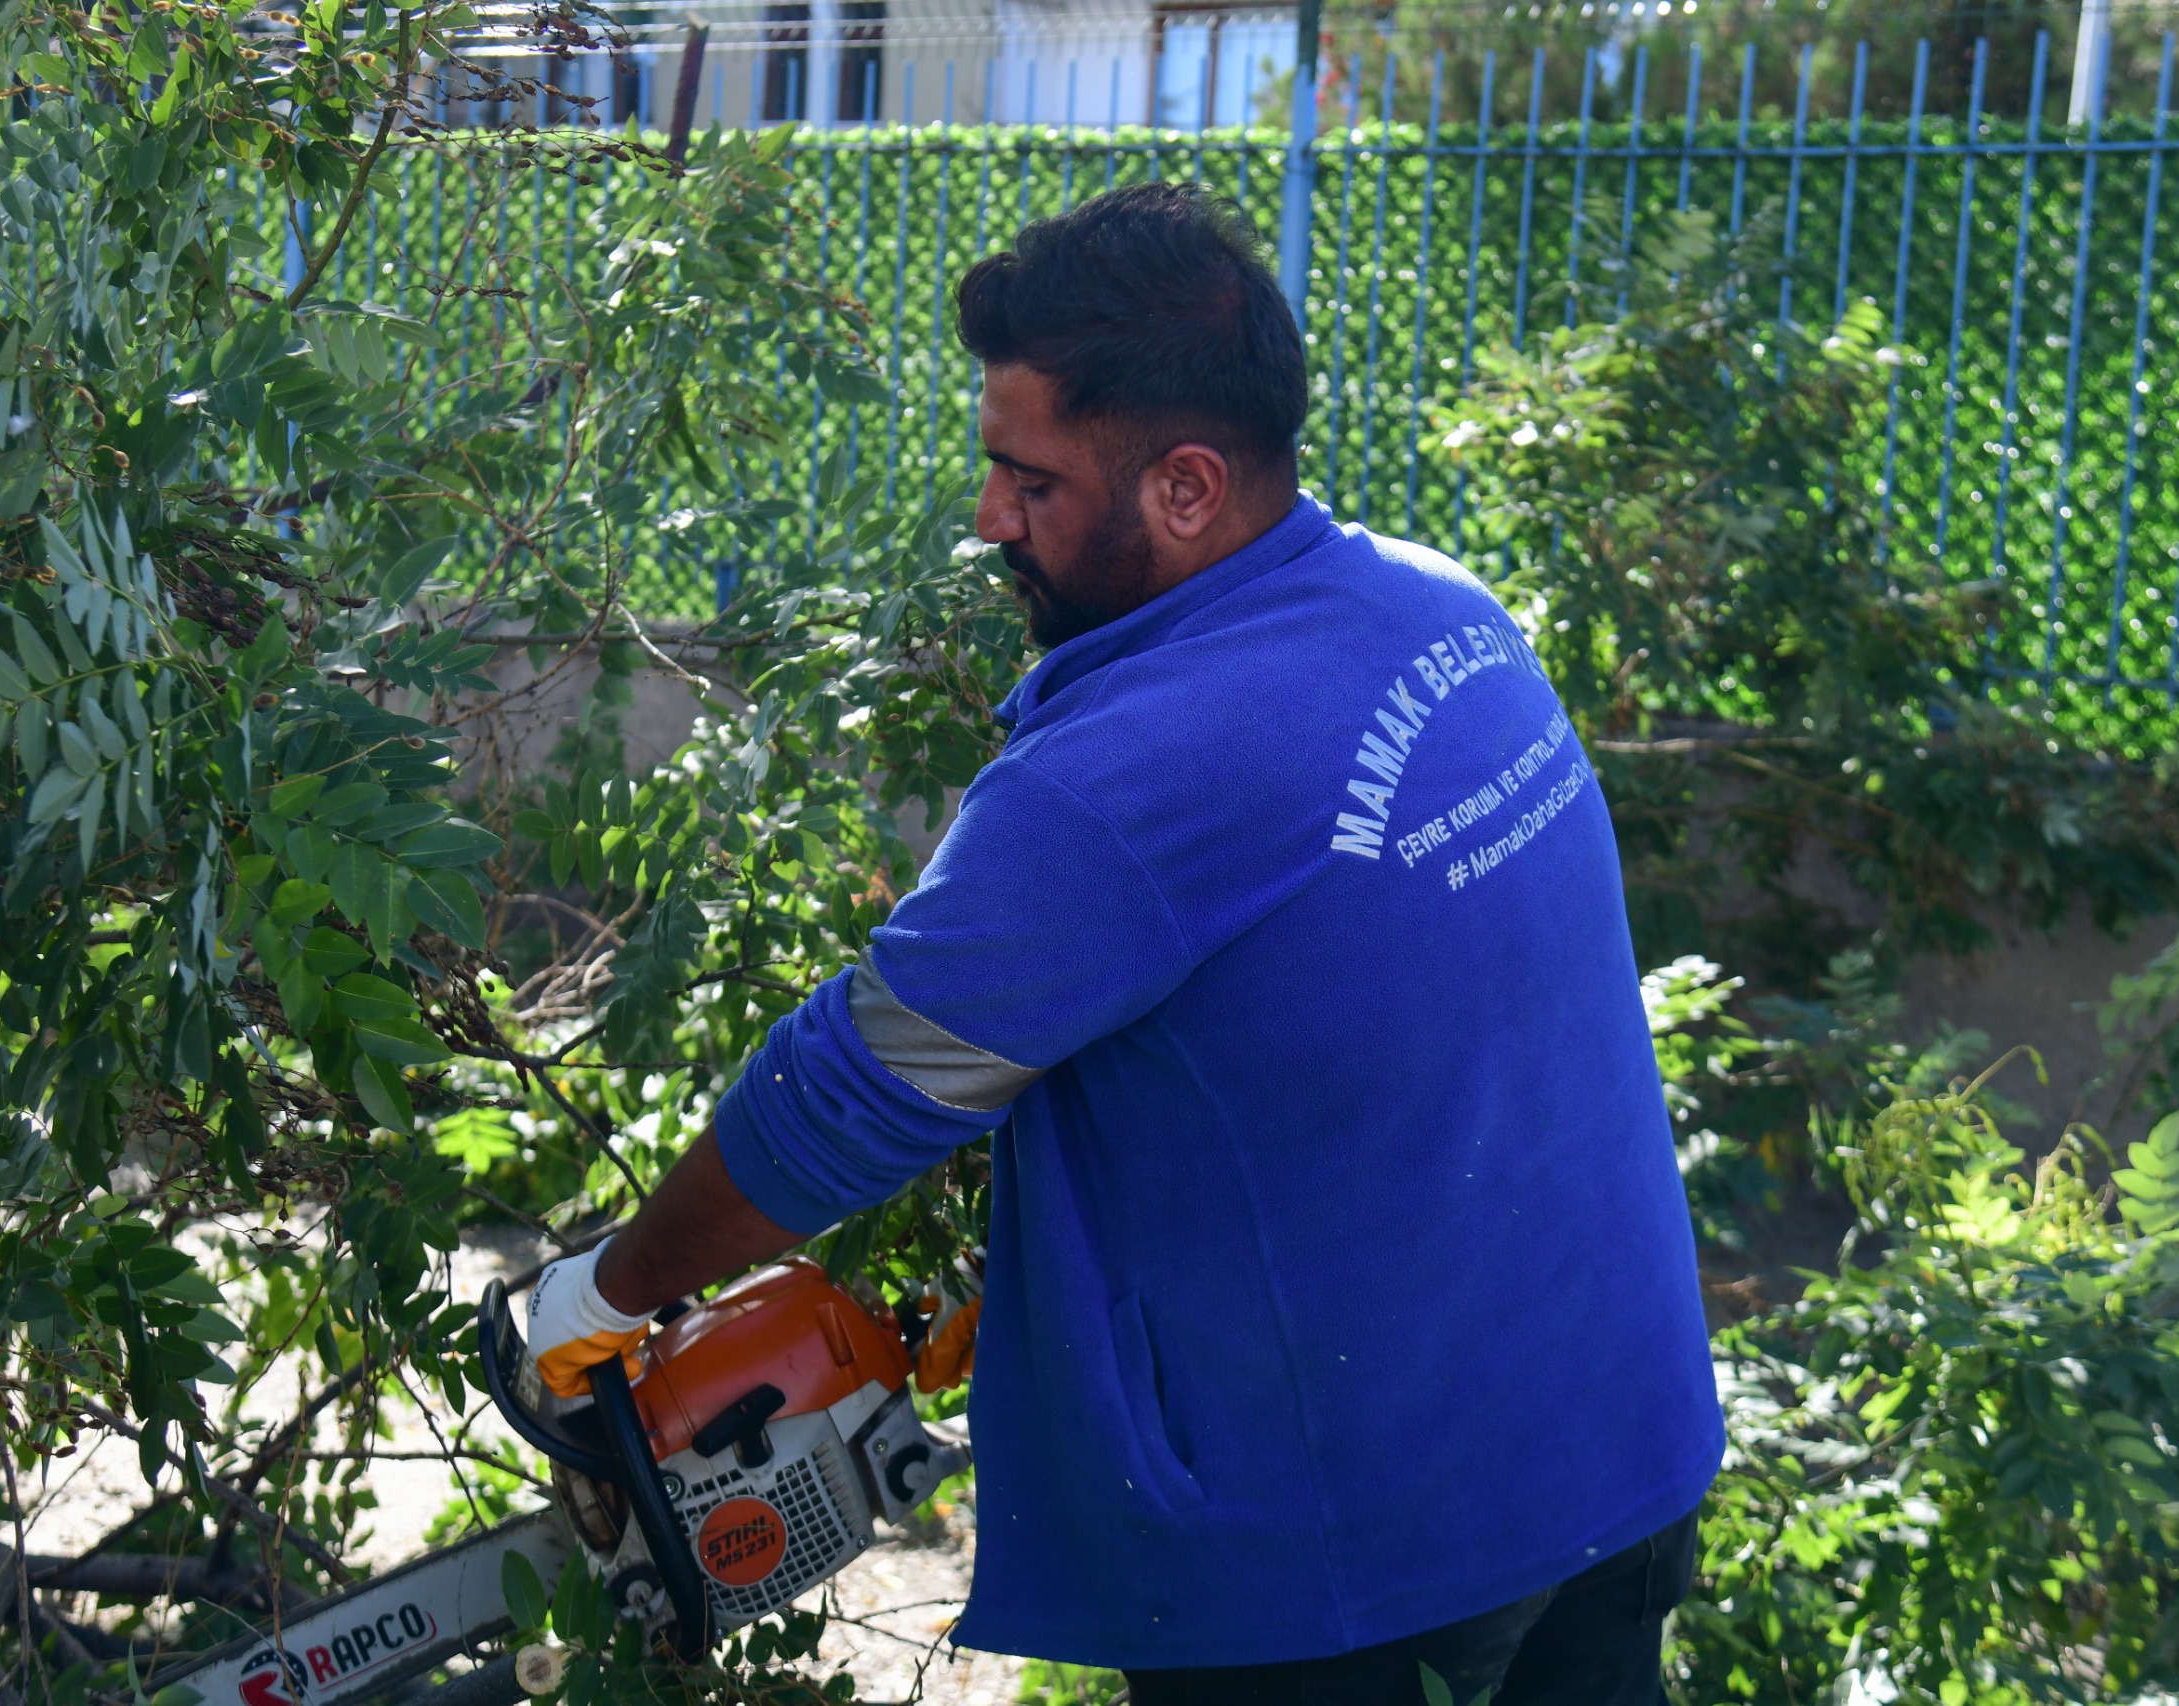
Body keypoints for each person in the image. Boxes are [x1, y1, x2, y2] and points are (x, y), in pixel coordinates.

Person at [520, 182, 1723, 1704]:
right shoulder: (1440, 611)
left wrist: (610, 1291)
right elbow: (1377, 1034)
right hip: (1615, 1437)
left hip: (1368, 1552)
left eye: (1031, 482)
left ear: (1188, 488)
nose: (989, 519)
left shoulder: (1138, 768)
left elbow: (858, 1089)